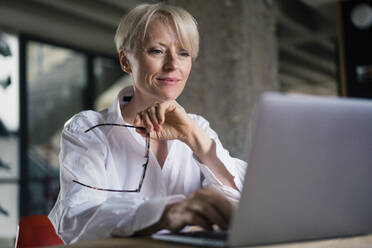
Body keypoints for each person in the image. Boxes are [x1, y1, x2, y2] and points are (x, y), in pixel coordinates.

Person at [49, 3, 247, 244]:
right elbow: (75, 218)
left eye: (183, 53)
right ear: (126, 61)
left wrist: (197, 141)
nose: (173, 64)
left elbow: (246, 204)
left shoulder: (198, 128)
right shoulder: (88, 130)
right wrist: (167, 213)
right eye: (157, 51)